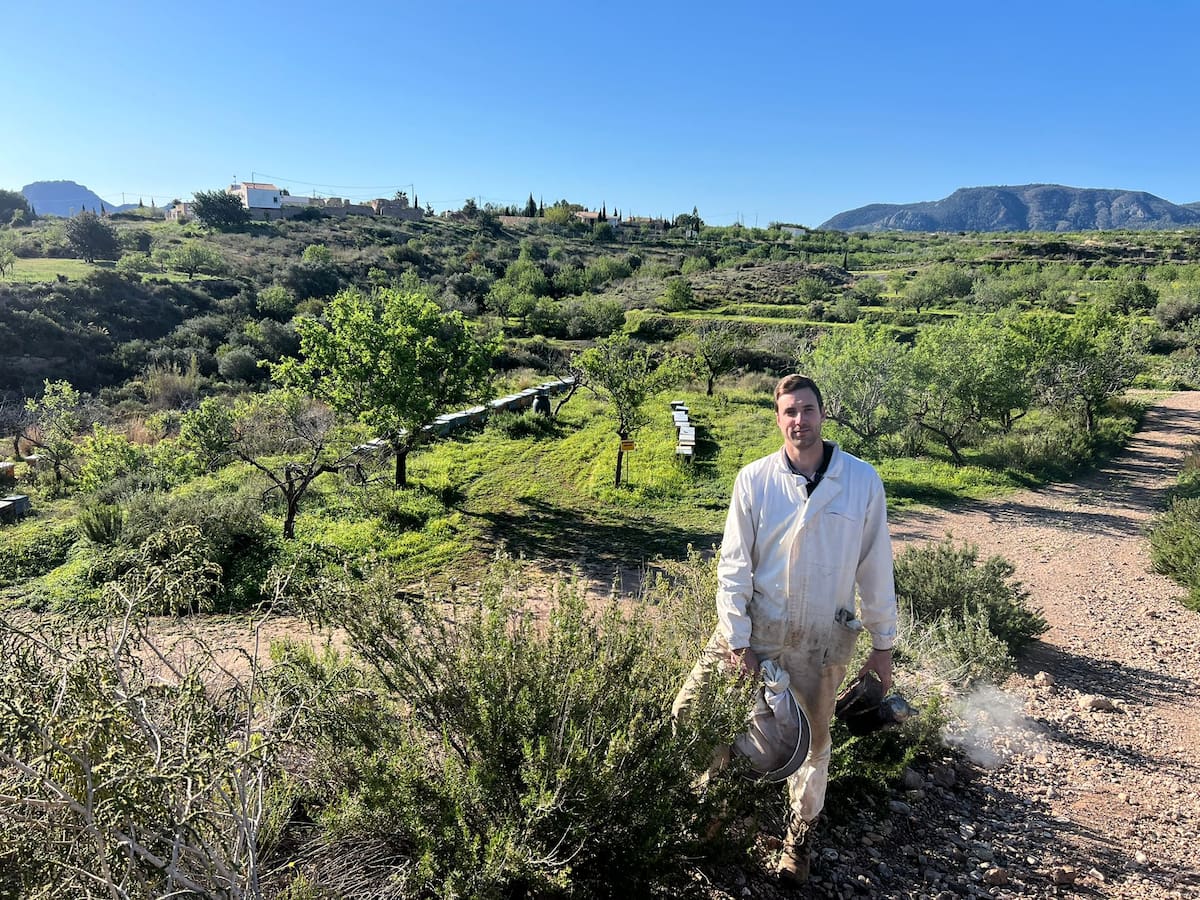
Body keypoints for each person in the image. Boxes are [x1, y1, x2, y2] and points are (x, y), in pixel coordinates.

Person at [672, 373, 897, 885]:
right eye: (789, 412)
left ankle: (799, 843)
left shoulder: (861, 481)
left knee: (814, 747)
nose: (799, 420)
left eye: (807, 410)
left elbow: (876, 566)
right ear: (778, 418)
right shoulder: (754, 480)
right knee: (692, 712)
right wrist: (736, 638)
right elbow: (734, 565)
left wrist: (883, 646)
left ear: (823, 414)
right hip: (757, 627)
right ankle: (713, 815)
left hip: (823, 637)